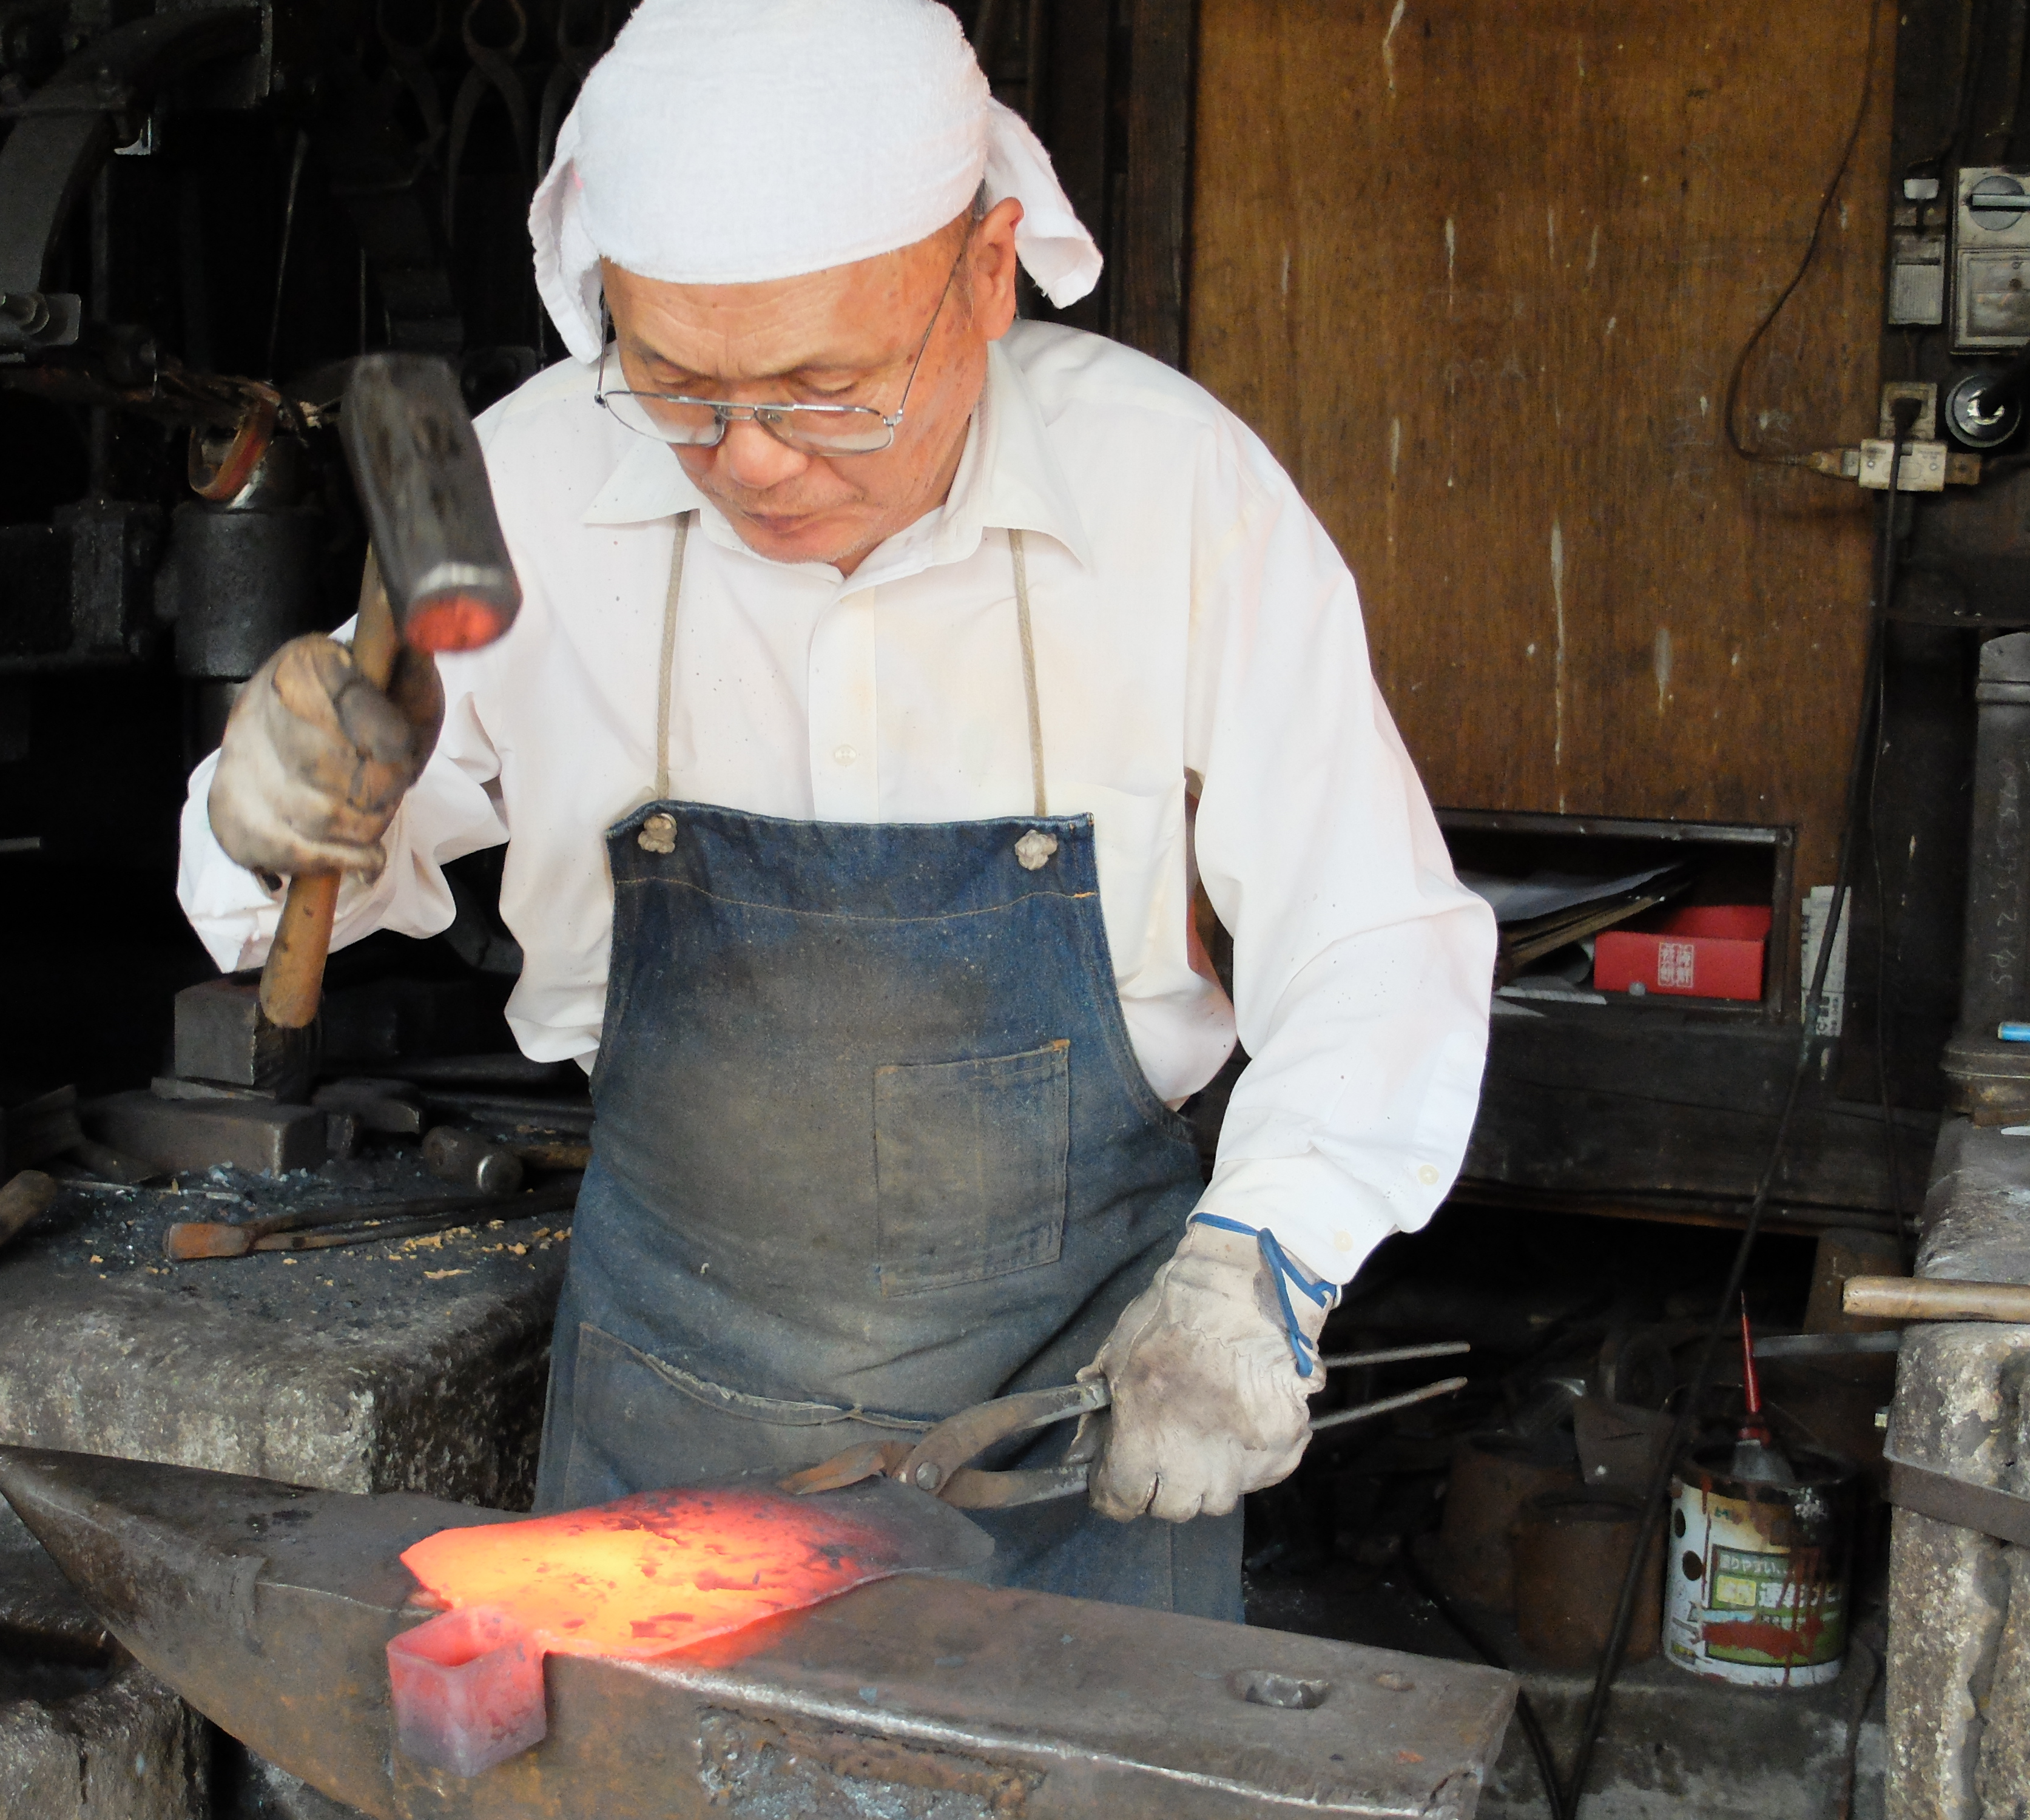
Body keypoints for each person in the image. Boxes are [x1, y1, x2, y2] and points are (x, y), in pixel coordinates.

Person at [178, 0, 1494, 1617]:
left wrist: (1261, 1268)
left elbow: (1372, 941)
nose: (755, 462)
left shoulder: (1177, 501)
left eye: (832, 392)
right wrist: (264, 811)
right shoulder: (524, 492)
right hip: (669, 1433)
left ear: (991, 269)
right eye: (677, 388)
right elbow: (296, 891)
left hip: (1072, 1438)